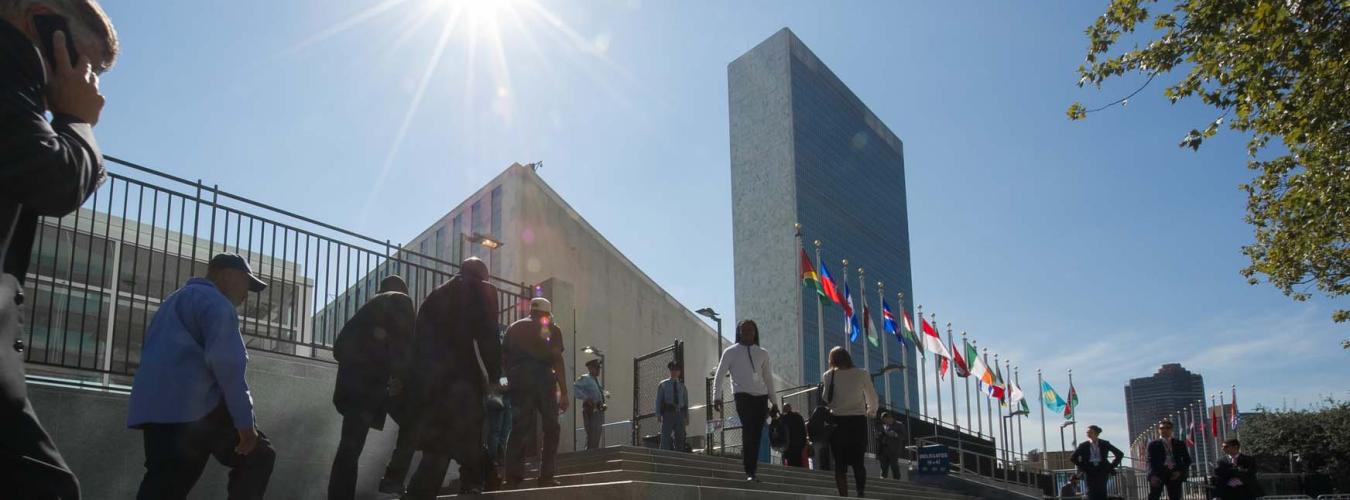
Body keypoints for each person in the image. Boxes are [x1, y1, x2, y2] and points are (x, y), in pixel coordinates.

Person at [1, 1, 117, 497]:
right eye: (84, 62)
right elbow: (51, 179)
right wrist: (77, 121)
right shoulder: (11, 60)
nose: (89, 82)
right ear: (39, 22)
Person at [127, 254, 276, 500]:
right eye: (245, 285)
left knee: (162, 486)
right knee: (259, 455)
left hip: (154, 413)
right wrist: (246, 428)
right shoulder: (216, 304)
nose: (246, 295)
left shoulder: (172, 302)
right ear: (227, 275)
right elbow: (228, 368)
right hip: (193, 411)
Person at [403, 257, 502, 498]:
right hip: (460, 375)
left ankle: (419, 493)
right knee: (471, 427)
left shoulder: (435, 294)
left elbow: (416, 341)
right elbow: (488, 335)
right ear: (483, 275)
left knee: (439, 441)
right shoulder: (481, 289)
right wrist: (494, 376)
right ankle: (474, 483)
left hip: (429, 380)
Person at [326, 275, 416, 499]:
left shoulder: (363, 315)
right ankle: (393, 478)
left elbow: (338, 349)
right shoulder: (400, 300)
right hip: (376, 386)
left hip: (354, 391)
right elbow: (402, 341)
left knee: (349, 450)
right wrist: (399, 376)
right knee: (415, 422)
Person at [502, 297, 569, 488]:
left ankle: (512, 478)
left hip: (519, 379)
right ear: (547, 313)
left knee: (519, 428)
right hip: (543, 379)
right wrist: (563, 392)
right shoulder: (552, 328)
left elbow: (503, 360)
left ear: (531, 310)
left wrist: (505, 382)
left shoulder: (513, 328)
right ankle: (546, 476)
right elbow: (557, 361)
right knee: (551, 427)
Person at [711, 319, 779, 482]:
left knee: (755, 434)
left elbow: (768, 378)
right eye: (744, 330)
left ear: (755, 333)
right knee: (748, 430)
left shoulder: (763, 353)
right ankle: (749, 471)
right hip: (742, 396)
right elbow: (719, 375)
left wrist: (774, 402)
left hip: (761, 398)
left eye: (750, 330)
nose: (747, 333)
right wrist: (716, 396)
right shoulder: (730, 352)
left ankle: (752, 470)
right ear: (739, 332)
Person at [820, 347, 880, 498]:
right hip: (857, 422)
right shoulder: (862, 373)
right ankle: (860, 493)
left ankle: (844, 496)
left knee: (839, 465)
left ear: (832, 360)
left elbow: (826, 398)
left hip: (837, 423)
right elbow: (872, 396)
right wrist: (871, 411)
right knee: (858, 463)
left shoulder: (829, 375)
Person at [1069, 424, 1123, 500]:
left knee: (1102, 492)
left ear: (1096, 433)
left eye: (1090, 432)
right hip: (1089, 471)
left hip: (1102, 470)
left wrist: (1111, 466)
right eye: (1087, 432)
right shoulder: (1083, 445)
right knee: (1091, 493)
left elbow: (1119, 454)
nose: (1087, 434)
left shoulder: (1104, 443)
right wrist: (1083, 467)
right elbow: (1073, 457)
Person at [1145, 420, 1191, 500]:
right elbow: (1149, 461)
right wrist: (1151, 475)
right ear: (1159, 430)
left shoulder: (1179, 443)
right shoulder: (1153, 444)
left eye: (1167, 428)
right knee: (1153, 496)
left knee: (1175, 497)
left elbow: (1187, 460)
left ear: (1171, 429)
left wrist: (1180, 472)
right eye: (1162, 428)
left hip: (1175, 473)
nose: (1164, 430)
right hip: (1158, 474)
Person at [654, 361, 688, 451]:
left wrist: (686, 417)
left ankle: (680, 456)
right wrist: (658, 414)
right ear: (670, 371)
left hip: (680, 413)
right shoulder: (663, 384)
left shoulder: (682, 386)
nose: (674, 372)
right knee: (665, 435)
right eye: (672, 370)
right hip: (668, 412)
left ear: (679, 372)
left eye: (677, 370)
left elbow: (685, 402)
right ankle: (664, 455)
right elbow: (658, 400)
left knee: (680, 436)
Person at [573, 358, 605, 450]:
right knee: (592, 432)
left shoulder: (596, 380)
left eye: (599, 368)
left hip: (598, 409)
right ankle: (589, 453)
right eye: (596, 368)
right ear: (590, 368)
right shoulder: (585, 378)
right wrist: (585, 398)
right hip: (590, 409)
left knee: (597, 432)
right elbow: (575, 388)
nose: (598, 370)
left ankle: (594, 451)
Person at [875, 411, 903, 479]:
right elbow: (877, 437)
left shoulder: (899, 425)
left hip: (893, 450)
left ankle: (897, 481)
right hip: (883, 450)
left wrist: (895, 434)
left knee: (894, 466)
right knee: (883, 467)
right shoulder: (881, 426)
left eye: (886, 419)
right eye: (883, 420)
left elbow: (903, 436)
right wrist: (878, 435)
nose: (885, 421)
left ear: (890, 418)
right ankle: (883, 479)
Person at [778, 403, 808, 467]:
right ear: (790, 408)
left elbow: (781, 434)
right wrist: (803, 443)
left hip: (788, 447)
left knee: (790, 465)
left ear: (784, 410)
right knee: (799, 463)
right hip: (798, 446)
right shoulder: (799, 417)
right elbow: (803, 431)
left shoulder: (783, 419)